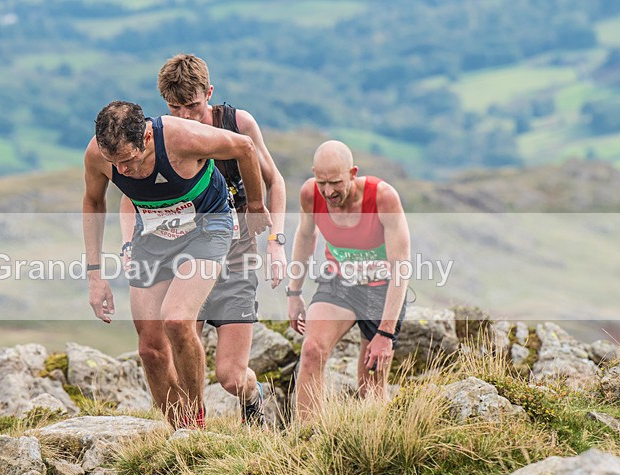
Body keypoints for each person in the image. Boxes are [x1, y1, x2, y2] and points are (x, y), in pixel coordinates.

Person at [119, 54, 287, 425]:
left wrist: (276, 240)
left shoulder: (237, 123)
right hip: (190, 249)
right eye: (175, 108)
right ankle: (188, 434)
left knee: (229, 377)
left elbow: (274, 180)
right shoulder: (163, 137)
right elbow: (131, 195)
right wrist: (130, 245)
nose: (186, 117)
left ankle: (253, 397)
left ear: (209, 93)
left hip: (237, 251)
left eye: (193, 106)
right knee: (173, 339)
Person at [83, 100, 271, 428]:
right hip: (154, 240)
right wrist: (95, 275)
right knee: (150, 351)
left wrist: (255, 205)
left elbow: (244, 146)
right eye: (115, 163)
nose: (122, 172)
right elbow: (93, 201)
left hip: (208, 228)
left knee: (177, 319)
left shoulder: (180, 137)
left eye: (128, 160)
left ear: (146, 139)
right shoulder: (98, 156)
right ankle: (180, 430)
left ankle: (195, 422)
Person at [286, 140, 410, 421]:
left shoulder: (383, 198)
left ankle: (376, 448)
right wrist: (294, 293)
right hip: (339, 282)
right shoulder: (310, 194)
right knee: (311, 352)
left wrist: (386, 333)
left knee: (370, 388)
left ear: (353, 173)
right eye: (322, 182)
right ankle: (307, 440)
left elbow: (401, 266)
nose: (329, 192)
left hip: (380, 290)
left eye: (336, 183)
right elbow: (306, 236)